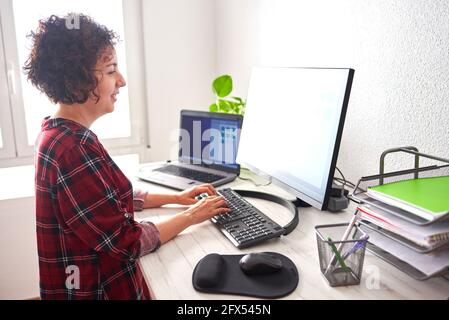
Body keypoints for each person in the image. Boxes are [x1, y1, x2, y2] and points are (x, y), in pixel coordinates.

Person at [25, 13, 230, 300]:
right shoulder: (72, 150)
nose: (122, 81)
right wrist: (191, 216)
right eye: (110, 71)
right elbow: (126, 243)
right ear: (77, 80)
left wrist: (175, 198)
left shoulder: (60, 133)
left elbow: (104, 203)